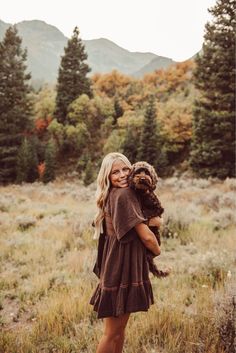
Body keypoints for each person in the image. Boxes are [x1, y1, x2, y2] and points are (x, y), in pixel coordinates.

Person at [90, 152, 162, 353]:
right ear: (106, 176)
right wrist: (157, 249)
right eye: (115, 172)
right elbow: (146, 236)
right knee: (111, 332)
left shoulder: (114, 193)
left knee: (119, 330)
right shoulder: (123, 195)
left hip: (118, 263)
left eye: (125, 169)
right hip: (122, 266)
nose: (122, 175)